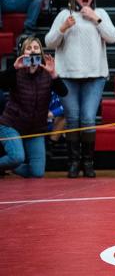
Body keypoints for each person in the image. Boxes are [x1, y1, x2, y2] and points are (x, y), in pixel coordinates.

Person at [44, 0, 115, 178]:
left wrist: (96, 19)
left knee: (87, 118)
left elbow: (113, 38)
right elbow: (49, 42)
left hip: (95, 75)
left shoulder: (100, 13)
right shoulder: (64, 15)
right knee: (73, 119)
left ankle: (88, 162)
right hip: (67, 75)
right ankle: (73, 163)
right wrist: (62, 28)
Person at [0, 37, 68, 178]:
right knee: (17, 157)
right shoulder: (16, 71)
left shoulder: (47, 73)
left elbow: (64, 92)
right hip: (11, 125)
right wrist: (14, 68)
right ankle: (9, 163)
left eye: (36, 48)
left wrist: (54, 74)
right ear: (23, 52)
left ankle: (8, 168)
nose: (32, 51)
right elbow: (2, 84)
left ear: (41, 53)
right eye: (29, 48)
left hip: (35, 128)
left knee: (37, 173)